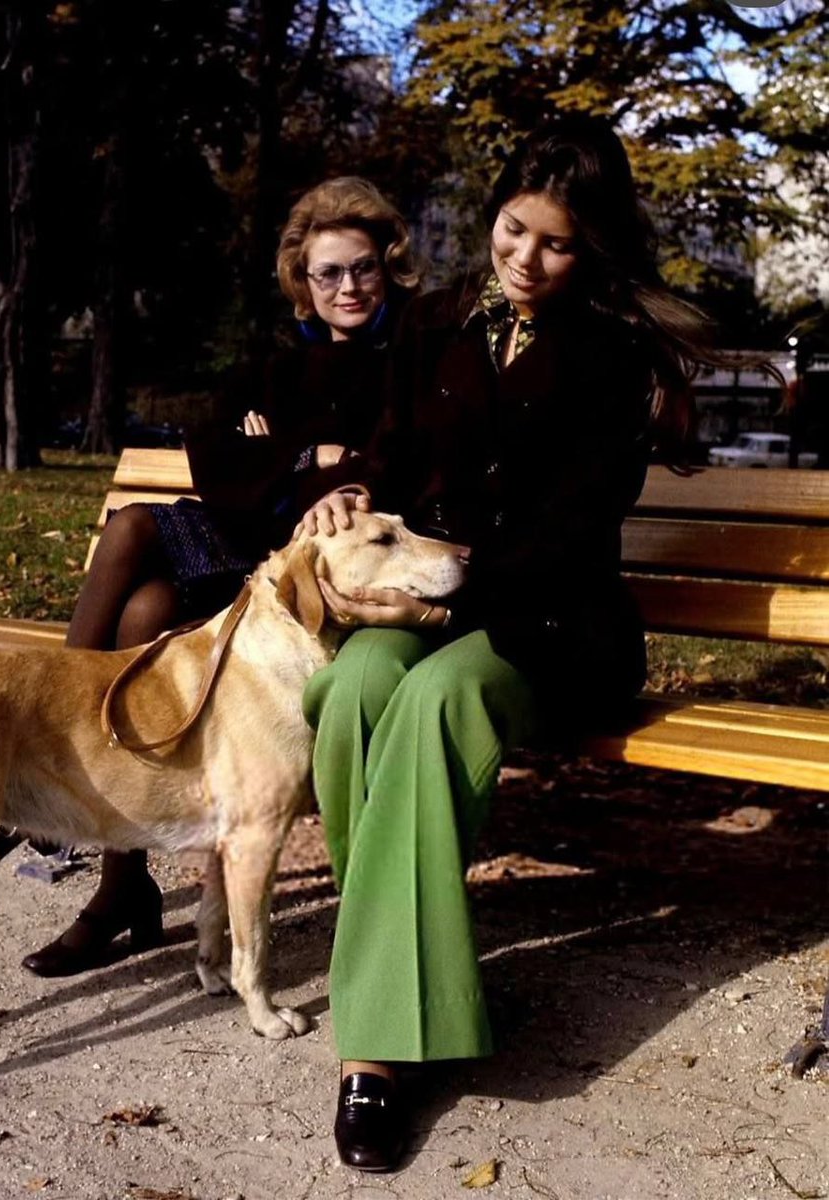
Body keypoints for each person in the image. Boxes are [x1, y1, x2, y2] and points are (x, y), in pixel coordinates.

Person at [298, 116, 741, 1172]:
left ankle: (377, 1048)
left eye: (555, 243)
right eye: (512, 229)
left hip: (554, 623)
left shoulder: (614, 353)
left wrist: (438, 601)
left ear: (591, 248)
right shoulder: (436, 321)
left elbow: (571, 531)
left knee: (434, 698)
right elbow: (394, 459)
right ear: (491, 215)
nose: (525, 259)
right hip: (437, 602)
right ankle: (402, 962)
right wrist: (351, 493)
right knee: (353, 683)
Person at [20, 175, 421, 977]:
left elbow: (386, 471)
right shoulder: (275, 366)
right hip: (240, 541)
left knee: (148, 612)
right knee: (137, 553)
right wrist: (309, 459)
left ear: (387, 267)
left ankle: (105, 865)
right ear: (302, 281)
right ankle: (93, 824)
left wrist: (282, 457)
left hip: (294, 582)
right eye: (327, 273)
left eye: (363, 268)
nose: (347, 286)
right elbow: (215, 458)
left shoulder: (408, 363)